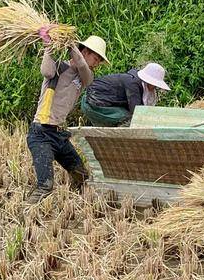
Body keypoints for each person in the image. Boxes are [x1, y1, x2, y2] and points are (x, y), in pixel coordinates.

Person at [26, 33, 109, 204]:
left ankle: (73, 205)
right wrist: (48, 45)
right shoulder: (58, 67)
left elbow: (82, 65)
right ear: (85, 51)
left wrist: (70, 44)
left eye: (100, 60)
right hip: (41, 133)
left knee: (82, 176)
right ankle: (25, 215)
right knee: (45, 185)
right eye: (96, 58)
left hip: (58, 135)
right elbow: (46, 71)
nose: (98, 63)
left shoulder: (86, 76)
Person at [81, 63, 170, 127]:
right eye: (154, 84)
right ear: (148, 81)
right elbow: (137, 112)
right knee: (130, 120)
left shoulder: (135, 81)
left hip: (94, 102)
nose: (155, 87)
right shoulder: (133, 84)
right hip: (94, 104)